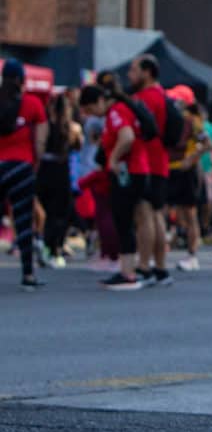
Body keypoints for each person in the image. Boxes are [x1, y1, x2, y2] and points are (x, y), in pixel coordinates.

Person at [78, 83, 148, 290]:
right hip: (134, 170)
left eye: (92, 110)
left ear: (100, 101)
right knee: (125, 219)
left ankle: (129, 273)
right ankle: (128, 269)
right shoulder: (118, 111)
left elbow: (127, 137)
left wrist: (113, 160)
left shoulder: (116, 111)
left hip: (128, 172)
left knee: (124, 220)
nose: (93, 115)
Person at [0, 60, 47, 290]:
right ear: (21, 79)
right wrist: (34, 164)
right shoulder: (33, 103)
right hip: (22, 166)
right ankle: (28, 274)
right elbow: (40, 141)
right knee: (24, 221)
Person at [128, 54, 173, 287]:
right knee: (156, 215)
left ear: (147, 72)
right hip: (160, 162)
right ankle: (160, 268)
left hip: (147, 162)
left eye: (134, 70)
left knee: (145, 215)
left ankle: (145, 266)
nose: (130, 75)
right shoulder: (164, 96)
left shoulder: (145, 98)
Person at [168, 102, 209, 272]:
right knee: (165, 213)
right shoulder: (167, 120)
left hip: (187, 172)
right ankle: (158, 255)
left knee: (190, 213)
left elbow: (206, 143)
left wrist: (190, 160)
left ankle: (192, 256)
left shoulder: (192, 122)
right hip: (169, 170)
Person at [36, 95, 76, 269]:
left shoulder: (45, 125)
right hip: (62, 171)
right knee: (59, 213)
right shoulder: (72, 128)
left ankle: (46, 246)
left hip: (45, 169)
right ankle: (55, 249)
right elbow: (77, 147)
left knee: (45, 211)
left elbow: (39, 147)